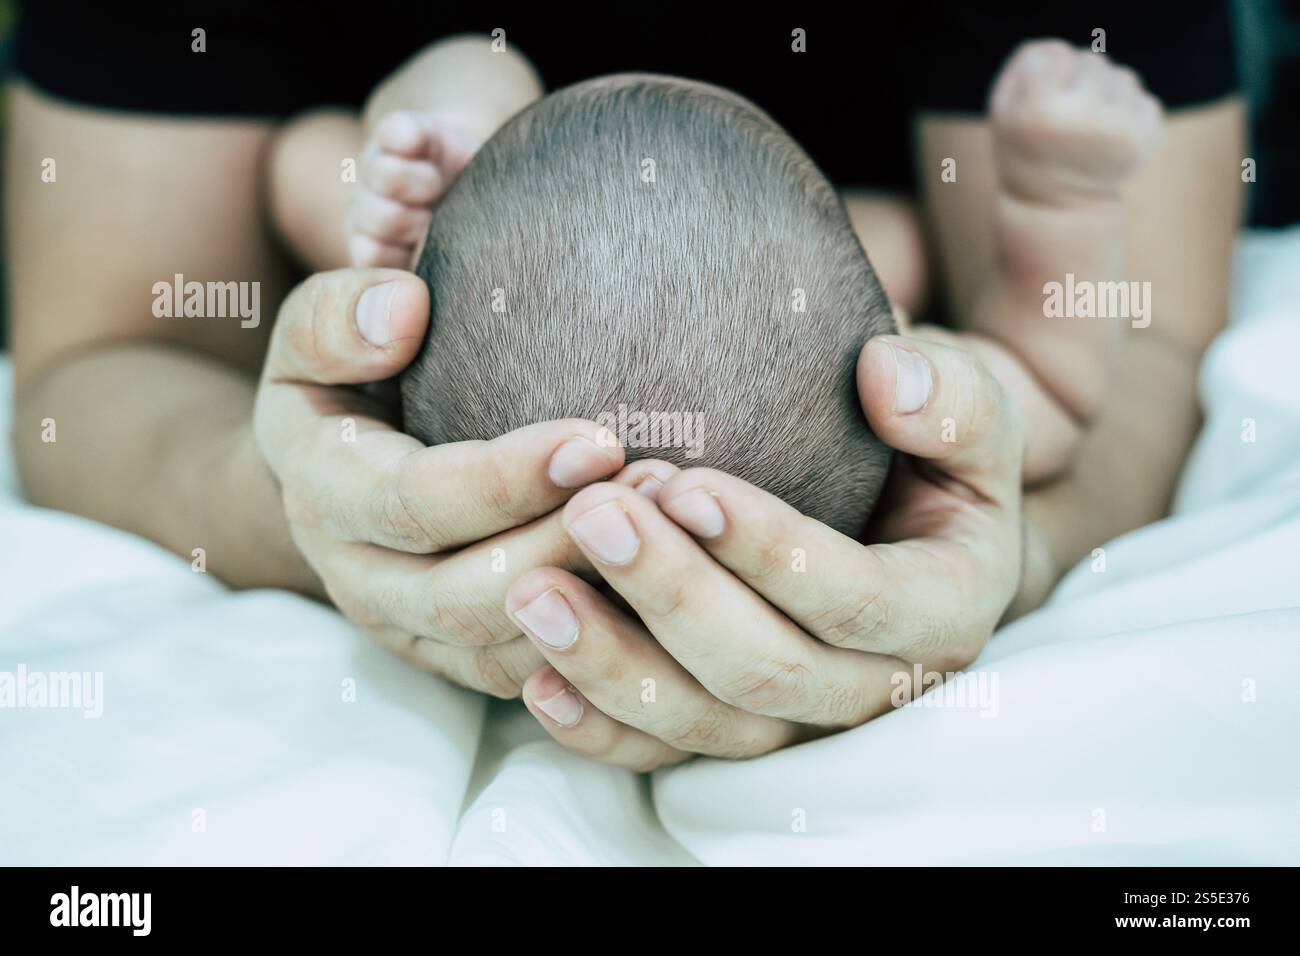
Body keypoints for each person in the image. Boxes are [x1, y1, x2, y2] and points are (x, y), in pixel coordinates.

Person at [8, 4, 1243, 768]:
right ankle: (1045, 214)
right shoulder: (893, 344)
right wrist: (1058, 215)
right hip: (844, 345)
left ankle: (438, 119)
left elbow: (278, 175)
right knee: (1026, 391)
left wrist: (362, 201)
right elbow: (1082, 387)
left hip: (499, 320)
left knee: (328, 172)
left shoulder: (402, 367)